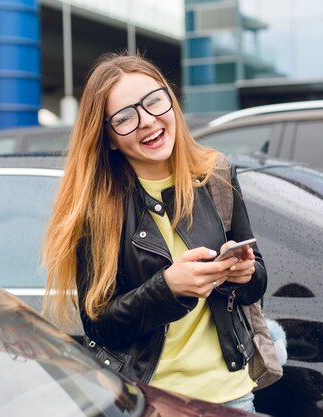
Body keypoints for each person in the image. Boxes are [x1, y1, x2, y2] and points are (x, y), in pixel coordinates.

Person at [42, 52, 267, 413]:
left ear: (171, 102)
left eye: (154, 101)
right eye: (125, 118)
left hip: (231, 395)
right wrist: (168, 288)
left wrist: (244, 273)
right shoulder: (97, 207)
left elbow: (256, 284)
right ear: (109, 138)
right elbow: (99, 326)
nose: (147, 121)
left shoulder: (216, 175)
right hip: (149, 401)